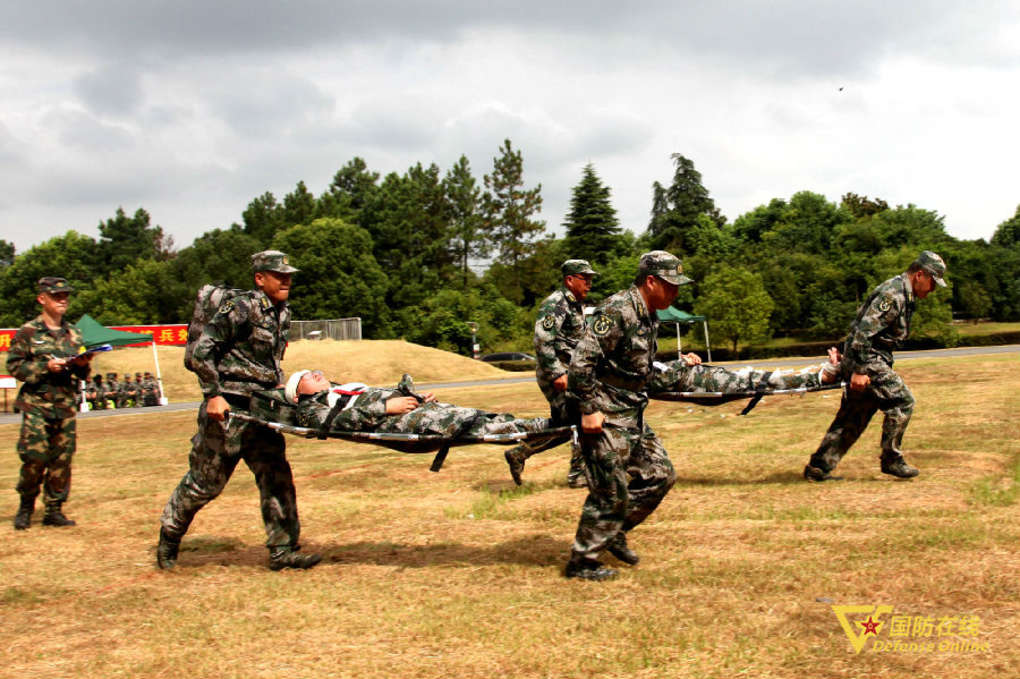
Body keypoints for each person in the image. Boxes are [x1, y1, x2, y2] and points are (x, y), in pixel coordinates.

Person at [157, 250, 320, 571]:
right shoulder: (241, 308)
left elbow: (269, 363)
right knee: (206, 483)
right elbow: (200, 354)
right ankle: (169, 538)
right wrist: (213, 395)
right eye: (278, 275)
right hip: (228, 408)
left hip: (263, 408)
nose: (286, 280)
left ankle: (283, 550)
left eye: (288, 275)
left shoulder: (282, 313)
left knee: (276, 477)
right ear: (260, 279)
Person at [564, 251, 690, 580]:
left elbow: (643, 371)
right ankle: (583, 561)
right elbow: (581, 363)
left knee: (661, 475)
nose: (675, 293)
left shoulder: (651, 315)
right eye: (670, 286)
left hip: (632, 411)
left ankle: (614, 531)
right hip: (604, 410)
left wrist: (680, 370)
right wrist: (589, 410)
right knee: (611, 487)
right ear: (651, 281)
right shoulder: (618, 309)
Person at [804, 251, 948, 482]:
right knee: (902, 401)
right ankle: (892, 460)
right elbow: (863, 332)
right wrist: (859, 370)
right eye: (932, 282)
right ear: (920, 274)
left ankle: (819, 467)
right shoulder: (893, 295)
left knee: (855, 414)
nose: (932, 289)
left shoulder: (903, 293)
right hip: (867, 359)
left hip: (866, 357)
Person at [7, 277, 95, 530]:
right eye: (56, 296)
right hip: (37, 404)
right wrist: (45, 366)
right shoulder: (28, 332)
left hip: (65, 405)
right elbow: (14, 366)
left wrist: (82, 365)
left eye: (65, 295)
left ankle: (54, 510)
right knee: (34, 457)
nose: (63, 300)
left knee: (62, 459)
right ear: (42, 299)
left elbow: (83, 374)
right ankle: (26, 507)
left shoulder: (74, 333)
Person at [505, 259, 596, 487]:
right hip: (556, 375)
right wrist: (557, 374)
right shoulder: (555, 304)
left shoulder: (577, 305)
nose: (589, 283)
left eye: (590, 279)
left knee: (564, 425)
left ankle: (520, 453)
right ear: (570, 280)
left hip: (571, 373)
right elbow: (542, 341)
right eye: (585, 278)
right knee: (581, 414)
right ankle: (579, 475)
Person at [287, 371, 554, 441]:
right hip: (393, 420)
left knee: (480, 416)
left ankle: (545, 425)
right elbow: (333, 424)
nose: (315, 374)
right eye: (307, 376)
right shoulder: (310, 408)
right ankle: (546, 427)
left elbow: (377, 395)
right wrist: (386, 409)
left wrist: (412, 396)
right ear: (298, 394)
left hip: (411, 408)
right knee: (473, 427)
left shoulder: (340, 389)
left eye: (316, 371)